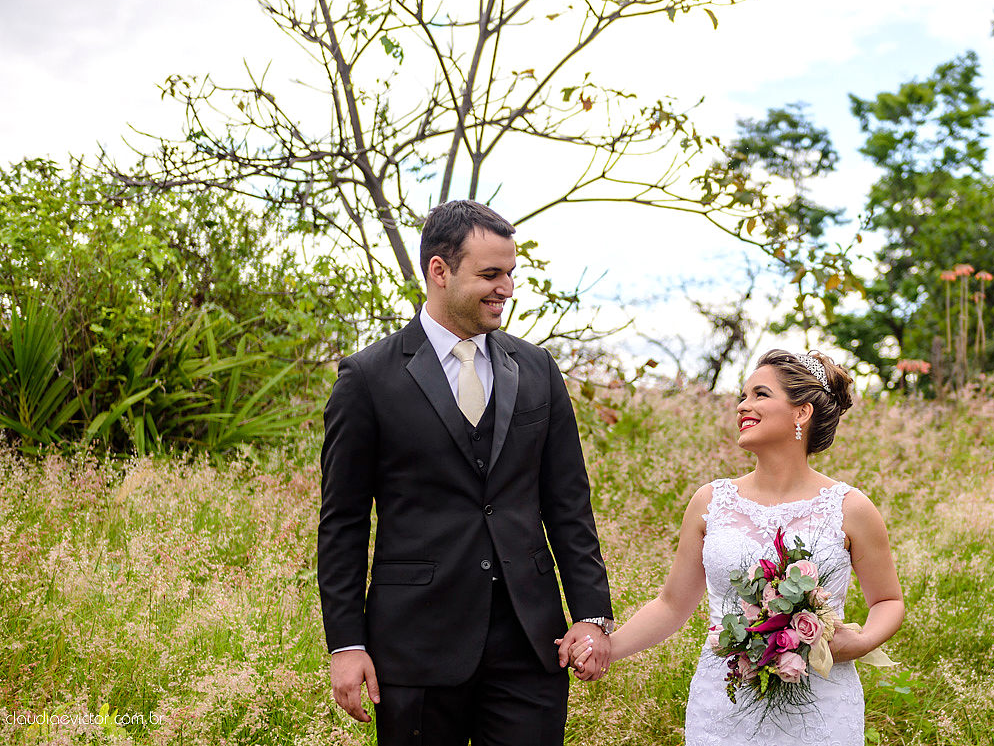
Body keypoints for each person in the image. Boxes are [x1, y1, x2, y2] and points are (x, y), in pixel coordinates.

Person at [318, 199, 615, 746]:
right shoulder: (366, 378)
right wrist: (346, 644)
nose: (506, 288)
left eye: (510, 274)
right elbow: (343, 523)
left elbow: (568, 503)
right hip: (414, 644)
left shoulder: (536, 369)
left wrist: (592, 615)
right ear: (439, 271)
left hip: (531, 642)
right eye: (490, 274)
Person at [567, 349, 903, 745]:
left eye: (760, 394)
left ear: (801, 413)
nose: (743, 406)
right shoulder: (710, 502)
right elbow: (672, 605)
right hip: (724, 703)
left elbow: (888, 601)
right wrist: (606, 648)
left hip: (821, 705)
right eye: (742, 396)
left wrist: (861, 641)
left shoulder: (850, 507)